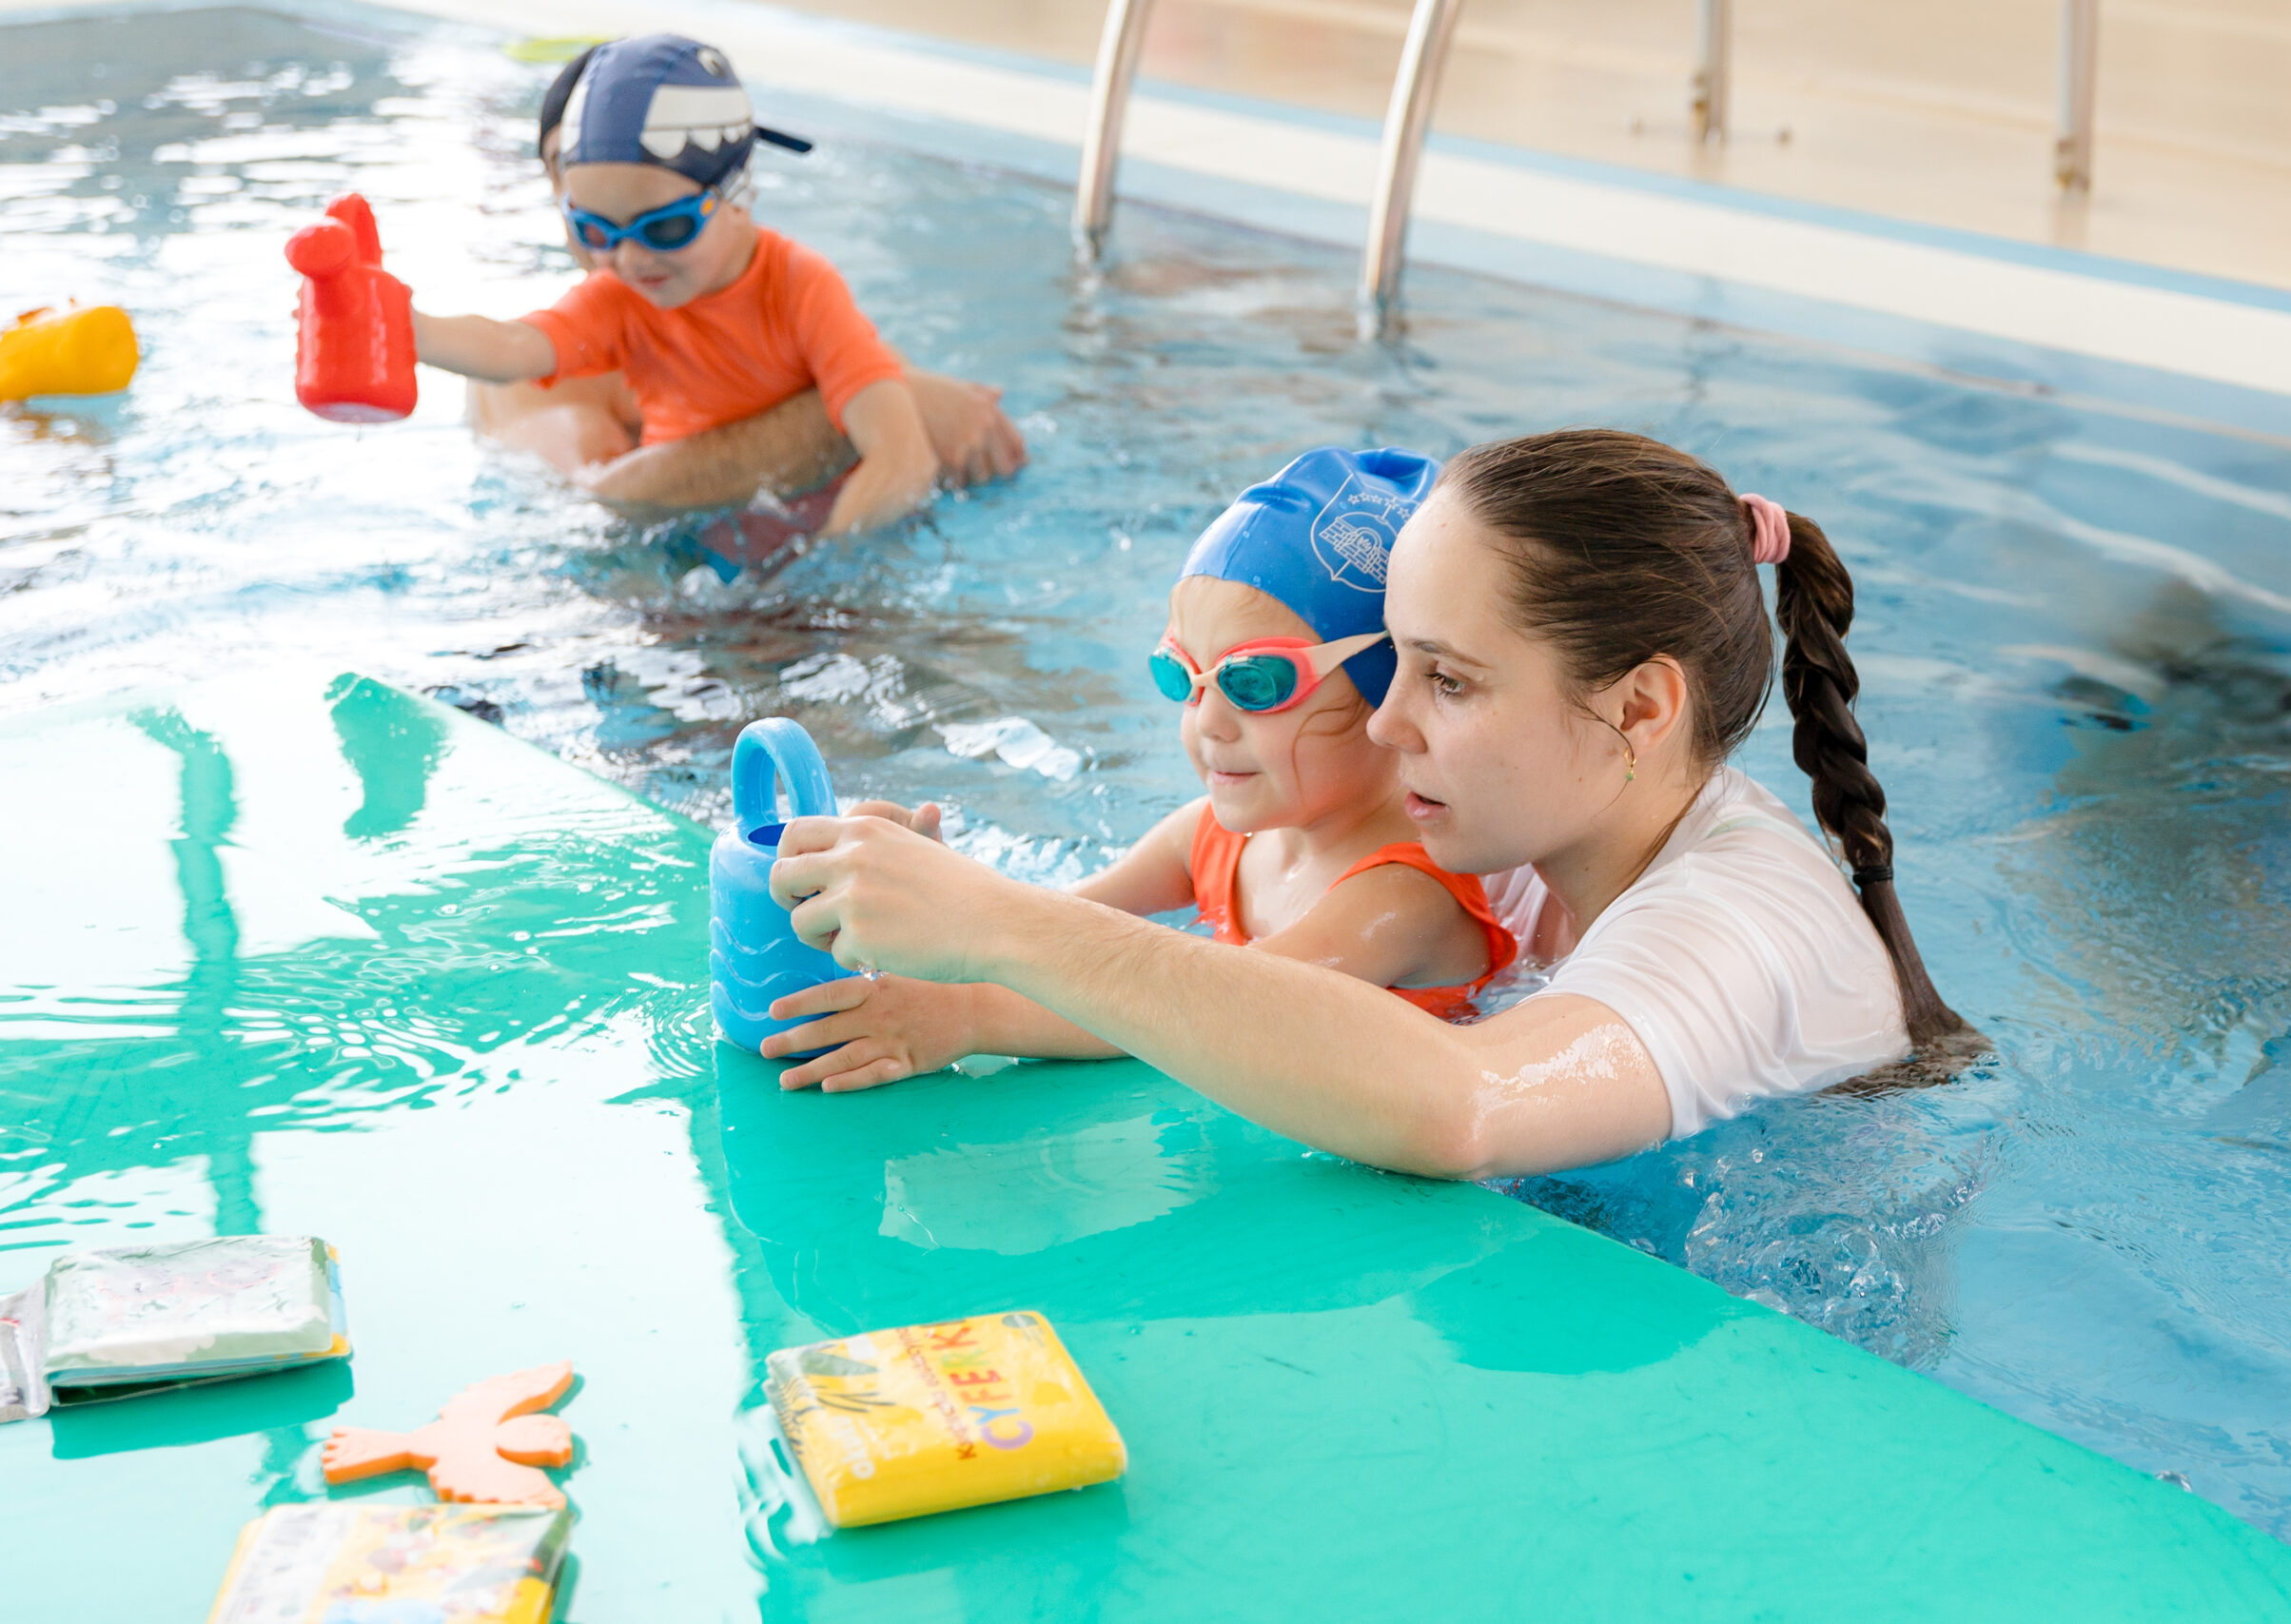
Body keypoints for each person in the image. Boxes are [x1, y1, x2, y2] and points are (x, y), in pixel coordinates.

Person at [767, 428, 1980, 1179]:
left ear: (1639, 709)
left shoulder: (1734, 923)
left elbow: (1465, 1108)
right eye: (1393, 662)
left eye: (1447, 680)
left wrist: (1000, 931)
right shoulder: (1537, 812)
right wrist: (931, 915)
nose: (1386, 723)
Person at [759, 447, 1518, 1092]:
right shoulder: (1213, 837)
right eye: (1181, 673)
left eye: (1256, 682)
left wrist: (968, 1014)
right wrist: (942, 900)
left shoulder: (1405, 895)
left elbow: (1227, 1010)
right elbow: (1052, 927)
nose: (1208, 721)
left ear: (1387, 691)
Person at [410, 35, 937, 537]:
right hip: (687, 544)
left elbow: (903, 459)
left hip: (806, 535)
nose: (630, 259)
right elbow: (514, 346)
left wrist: (829, 554)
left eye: (664, 228)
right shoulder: (621, 297)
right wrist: (413, 331)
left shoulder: (799, 287)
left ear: (737, 191)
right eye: (597, 230)